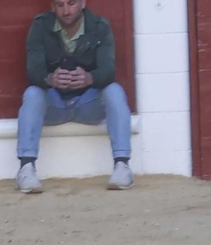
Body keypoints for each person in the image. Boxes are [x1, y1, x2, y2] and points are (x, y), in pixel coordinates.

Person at [16, 0, 133, 194]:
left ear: (83, 3)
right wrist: (50, 79)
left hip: (88, 103)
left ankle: (122, 166)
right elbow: (33, 71)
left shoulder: (99, 26)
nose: (66, 11)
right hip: (55, 104)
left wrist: (89, 78)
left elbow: (109, 71)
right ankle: (26, 168)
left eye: (71, 3)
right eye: (60, 5)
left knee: (114, 90)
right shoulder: (40, 26)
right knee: (33, 94)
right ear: (53, 7)